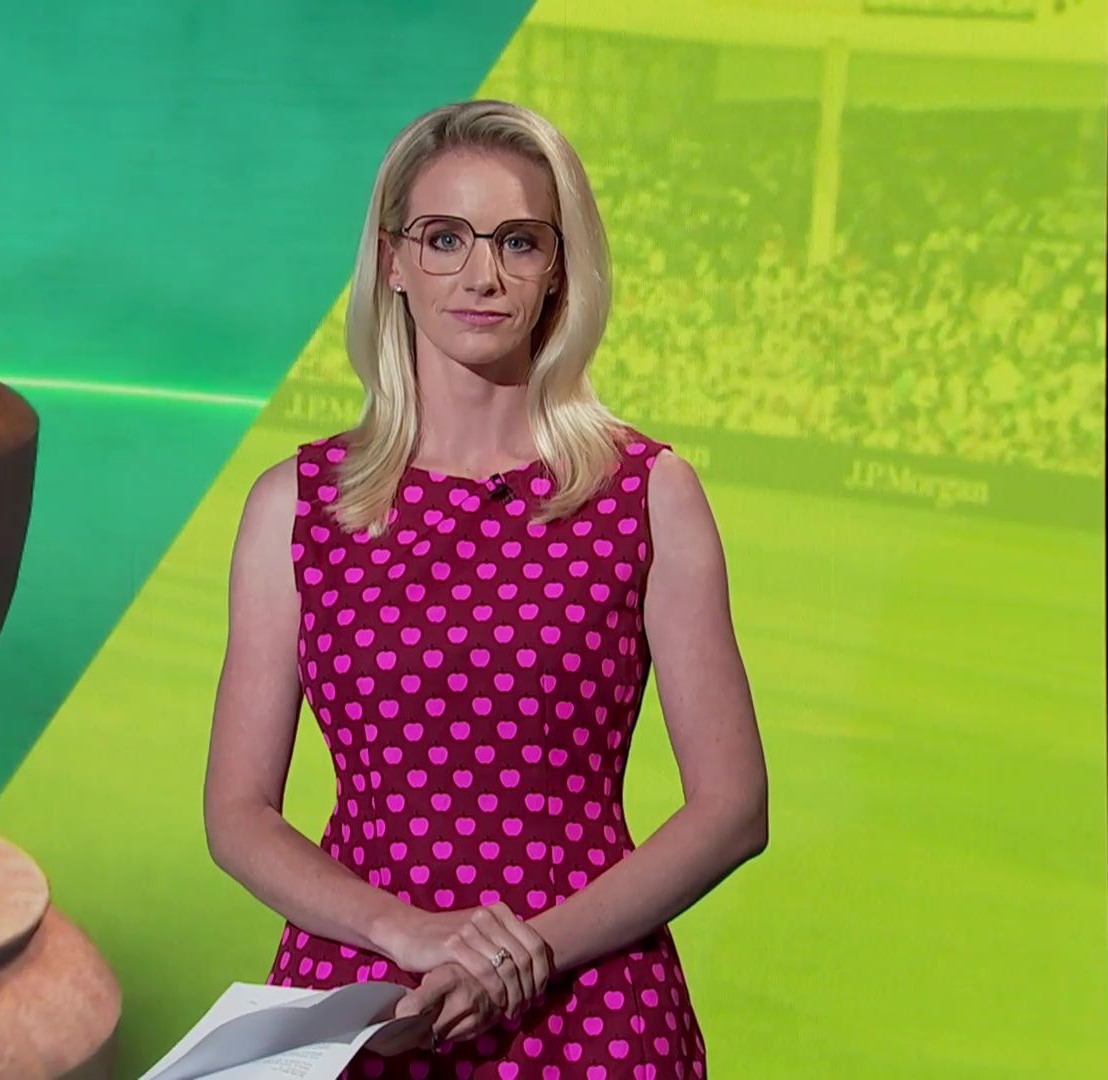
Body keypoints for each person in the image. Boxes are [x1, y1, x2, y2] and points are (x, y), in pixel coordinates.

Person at [203, 99, 769, 1079]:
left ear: (559, 269)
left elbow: (731, 807)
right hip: (368, 1002)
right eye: (444, 238)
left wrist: (522, 955)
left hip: (594, 1008)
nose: (482, 275)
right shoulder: (296, 505)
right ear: (393, 260)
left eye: (517, 241)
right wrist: (405, 931)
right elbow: (238, 814)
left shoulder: (648, 493)